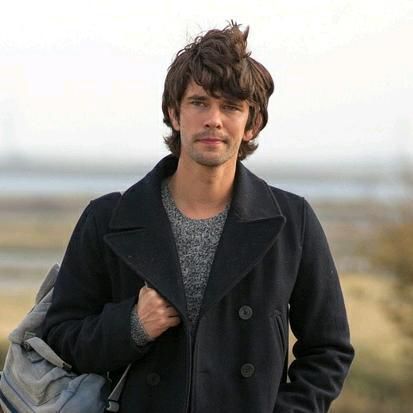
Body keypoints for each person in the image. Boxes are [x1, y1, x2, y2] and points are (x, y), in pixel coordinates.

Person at [43, 22, 354, 412]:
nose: (214, 119)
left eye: (231, 106)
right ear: (174, 113)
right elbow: (61, 338)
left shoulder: (293, 223)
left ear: (252, 123)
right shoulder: (108, 219)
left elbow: (329, 350)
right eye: (199, 102)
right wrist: (133, 326)